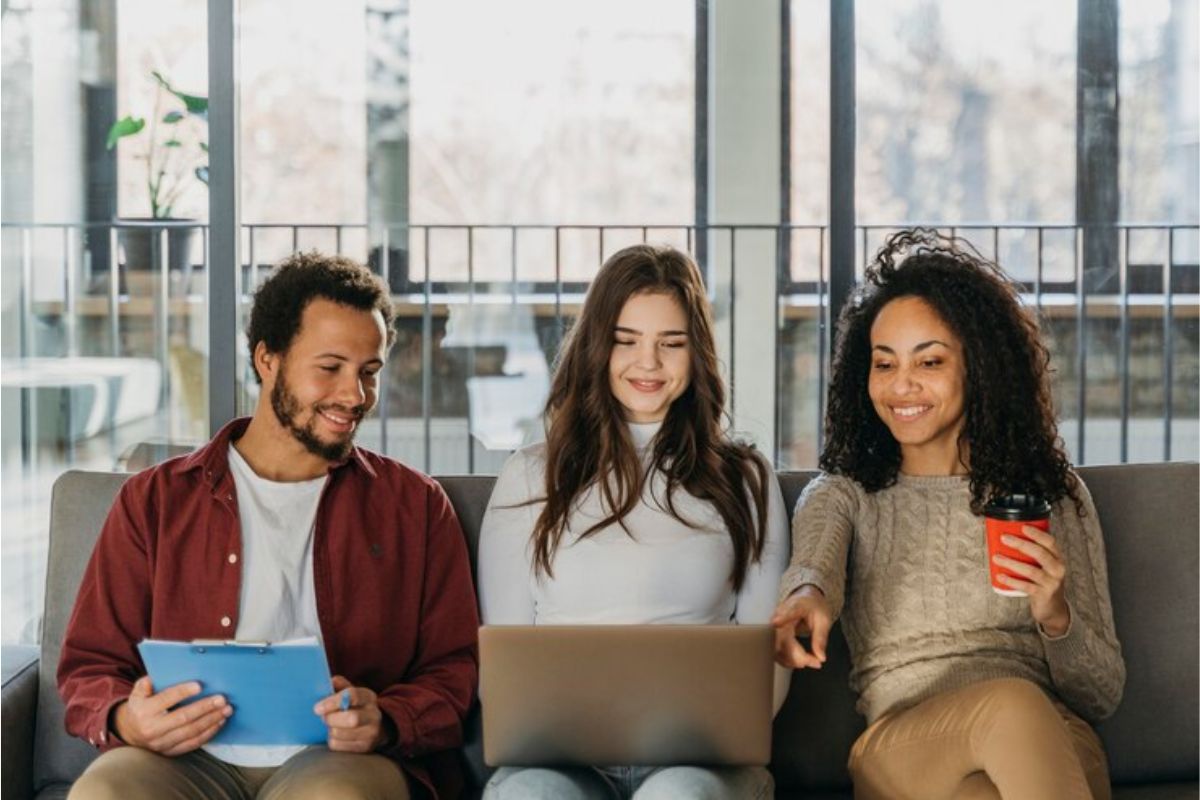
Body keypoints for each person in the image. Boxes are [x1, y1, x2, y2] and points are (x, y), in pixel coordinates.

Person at [59, 251, 480, 800]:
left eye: (369, 373)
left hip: (335, 763)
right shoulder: (154, 499)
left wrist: (389, 719)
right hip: (182, 759)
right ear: (267, 359)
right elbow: (89, 662)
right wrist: (123, 718)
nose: (355, 396)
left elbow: (454, 669)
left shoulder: (417, 506)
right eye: (330, 368)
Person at [772, 229, 1125, 800]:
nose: (901, 385)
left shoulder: (1052, 495)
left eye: (929, 361)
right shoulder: (846, 493)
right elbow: (814, 570)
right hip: (906, 750)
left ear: (978, 367)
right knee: (1011, 703)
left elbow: (1101, 693)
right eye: (884, 364)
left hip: (1050, 742)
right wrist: (805, 598)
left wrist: (1056, 615)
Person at [477, 244, 789, 800]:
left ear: (697, 355)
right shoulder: (528, 475)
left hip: (700, 764)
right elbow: (504, 659)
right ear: (598, 346)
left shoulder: (746, 479)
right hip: (558, 762)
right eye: (627, 341)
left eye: (672, 344)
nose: (649, 364)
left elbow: (768, 669)